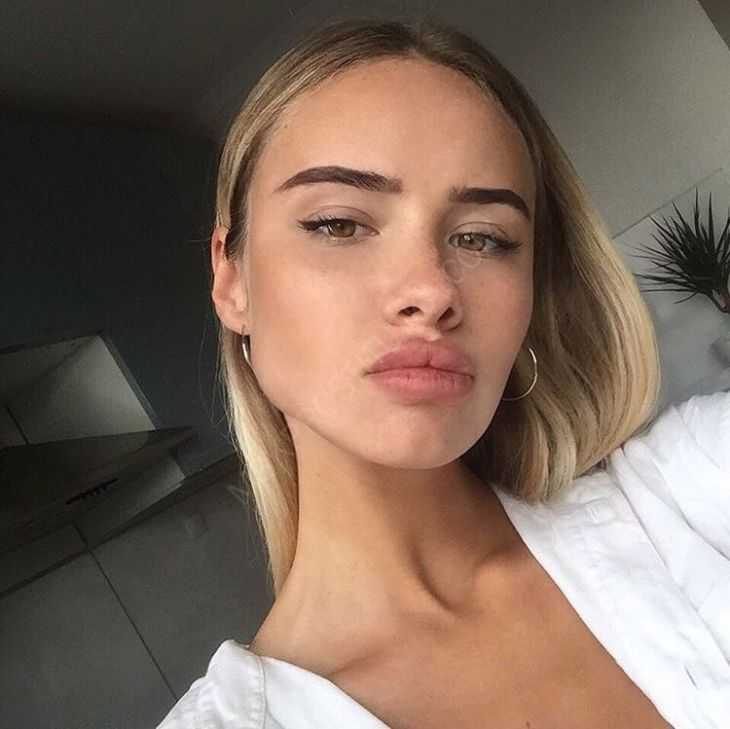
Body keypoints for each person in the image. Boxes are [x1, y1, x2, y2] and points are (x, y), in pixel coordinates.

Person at [156, 14, 730, 729]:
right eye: (338, 224)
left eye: (483, 238)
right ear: (232, 279)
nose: (431, 290)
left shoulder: (690, 500)